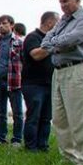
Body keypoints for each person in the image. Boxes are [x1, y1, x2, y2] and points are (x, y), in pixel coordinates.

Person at [39, 0, 83, 165]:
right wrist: (56, 43)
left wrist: (55, 43)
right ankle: (68, 156)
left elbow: (71, 40)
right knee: (59, 117)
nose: (63, 6)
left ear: (77, 0)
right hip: (59, 70)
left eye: (66, 1)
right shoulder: (62, 21)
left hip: (78, 69)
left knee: (80, 116)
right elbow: (46, 41)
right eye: (61, 2)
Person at [22, 11, 59, 152]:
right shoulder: (33, 37)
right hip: (33, 84)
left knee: (46, 118)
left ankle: (43, 146)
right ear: (50, 22)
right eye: (58, 22)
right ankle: (31, 147)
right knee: (34, 117)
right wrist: (54, 45)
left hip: (49, 84)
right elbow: (36, 55)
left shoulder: (52, 39)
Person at [0, 15, 24, 144]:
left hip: (14, 82)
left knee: (17, 112)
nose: (1, 26)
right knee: (1, 112)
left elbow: (24, 62)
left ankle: (17, 139)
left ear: (12, 25)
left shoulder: (19, 42)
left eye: (4, 23)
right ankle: (1, 137)